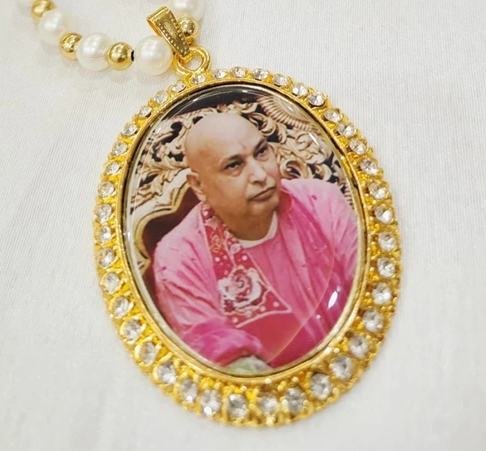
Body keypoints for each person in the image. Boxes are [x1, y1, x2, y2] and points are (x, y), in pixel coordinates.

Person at [152, 111, 358, 372]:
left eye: (261, 152)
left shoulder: (322, 202)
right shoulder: (179, 256)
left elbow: (368, 287)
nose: (260, 174)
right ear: (199, 186)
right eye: (234, 165)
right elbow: (227, 365)